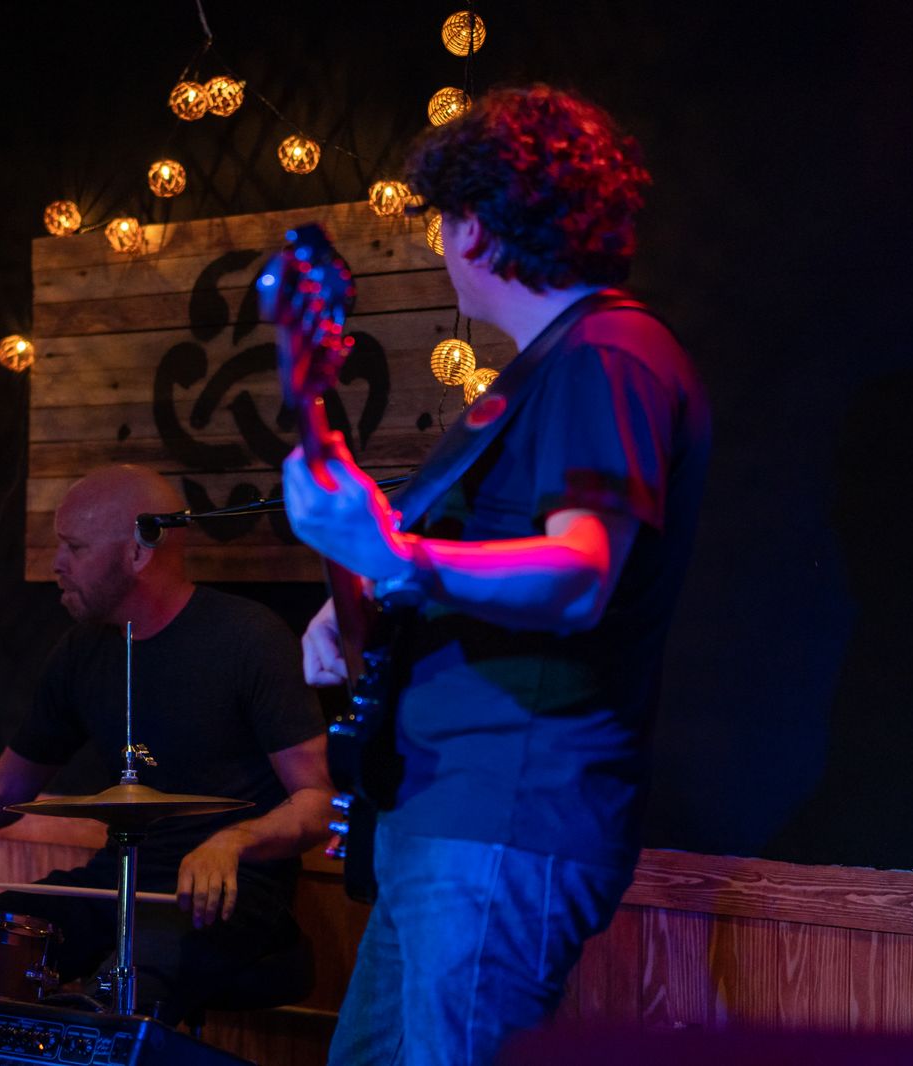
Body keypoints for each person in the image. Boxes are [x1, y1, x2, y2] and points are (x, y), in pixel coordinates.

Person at [281, 85, 711, 1065]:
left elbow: (580, 574)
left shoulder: (607, 353)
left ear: (472, 225)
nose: (440, 245)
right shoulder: (551, 366)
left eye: (441, 221)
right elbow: (478, 563)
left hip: (505, 809)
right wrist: (368, 596)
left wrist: (397, 557)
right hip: (448, 809)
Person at [0, 464, 332, 1022]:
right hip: (113, 885)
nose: (57, 563)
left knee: (120, 989)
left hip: (230, 895)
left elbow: (319, 801)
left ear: (138, 553)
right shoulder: (82, 652)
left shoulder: (249, 639)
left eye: (74, 547)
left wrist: (235, 841)